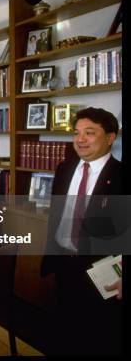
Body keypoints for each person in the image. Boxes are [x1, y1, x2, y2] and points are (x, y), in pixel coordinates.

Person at [41, 107, 124, 355]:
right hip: (64, 265)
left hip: (102, 273)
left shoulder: (121, 176)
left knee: (98, 338)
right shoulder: (64, 169)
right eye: (77, 133)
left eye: (89, 133)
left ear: (110, 137)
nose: (80, 139)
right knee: (66, 334)